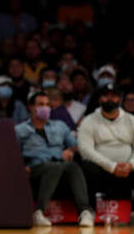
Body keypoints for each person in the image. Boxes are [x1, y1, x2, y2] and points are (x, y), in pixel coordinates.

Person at [77, 84, 134, 226]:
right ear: (100, 99)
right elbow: (85, 150)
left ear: (120, 99)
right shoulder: (88, 120)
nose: (109, 99)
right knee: (86, 167)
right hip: (102, 171)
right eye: (106, 95)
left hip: (127, 171)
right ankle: (89, 212)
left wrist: (131, 164)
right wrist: (112, 167)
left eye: (113, 95)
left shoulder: (132, 120)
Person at [15, 92, 93, 227]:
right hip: (36, 170)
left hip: (60, 167)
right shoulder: (19, 130)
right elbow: (11, 154)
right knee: (55, 166)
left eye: (47, 105)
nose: (45, 108)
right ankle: (38, 212)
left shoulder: (60, 126)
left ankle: (85, 212)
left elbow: (76, 145)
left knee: (72, 166)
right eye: (40, 104)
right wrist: (21, 167)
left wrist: (70, 150)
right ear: (30, 107)